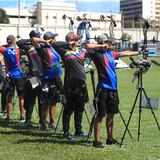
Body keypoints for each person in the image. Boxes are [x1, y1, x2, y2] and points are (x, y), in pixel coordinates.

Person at [86, 33, 143, 148]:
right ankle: (96, 141)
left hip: (113, 89)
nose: (110, 44)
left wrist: (139, 52)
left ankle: (110, 138)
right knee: (100, 114)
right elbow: (86, 46)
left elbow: (125, 53)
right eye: (107, 42)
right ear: (102, 43)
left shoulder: (111, 54)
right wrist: (100, 46)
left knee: (111, 114)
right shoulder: (96, 53)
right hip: (103, 89)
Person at [53, 32, 89, 141]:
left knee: (80, 108)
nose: (77, 41)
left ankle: (78, 130)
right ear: (70, 40)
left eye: (77, 40)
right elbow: (55, 44)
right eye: (75, 39)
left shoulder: (81, 51)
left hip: (81, 84)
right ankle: (66, 131)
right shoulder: (65, 51)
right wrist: (69, 44)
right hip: (70, 85)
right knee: (69, 108)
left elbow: (92, 50)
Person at [31, 31, 63, 131]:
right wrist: (45, 41)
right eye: (54, 38)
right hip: (47, 80)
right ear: (50, 39)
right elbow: (33, 39)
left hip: (56, 79)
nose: (55, 39)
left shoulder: (55, 48)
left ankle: (52, 123)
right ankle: (43, 124)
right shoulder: (42, 49)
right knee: (45, 102)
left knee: (54, 102)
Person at [16, 30, 43, 127]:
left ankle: (42, 120)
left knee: (41, 99)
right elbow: (19, 43)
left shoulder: (42, 46)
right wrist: (31, 40)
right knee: (31, 99)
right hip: (33, 77)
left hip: (42, 76)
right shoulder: (29, 47)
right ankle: (28, 120)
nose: (39, 37)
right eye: (37, 36)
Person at [0, 35, 25, 122]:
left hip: (10, 75)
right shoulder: (18, 50)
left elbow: (1, 47)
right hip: (19, 75)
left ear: (8, 42)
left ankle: (8, 117)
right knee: (21, 96)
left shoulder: (5, 50)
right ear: (14, 41)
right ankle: (22, 116)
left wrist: (6, 45)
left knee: (9, 97)